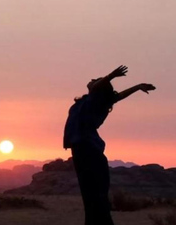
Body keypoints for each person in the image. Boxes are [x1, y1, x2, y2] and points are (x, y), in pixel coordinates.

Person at [63, 65, 155, 225]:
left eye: (96, 80)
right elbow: (117, 96)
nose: (92, 80)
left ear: (98, 88)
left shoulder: (94, 101)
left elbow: (104, 90)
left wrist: (111, 76)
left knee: (93, 194)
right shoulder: (92, 101)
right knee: (92, 194)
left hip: (87, 149)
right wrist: (138, 86)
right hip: (86, 149)